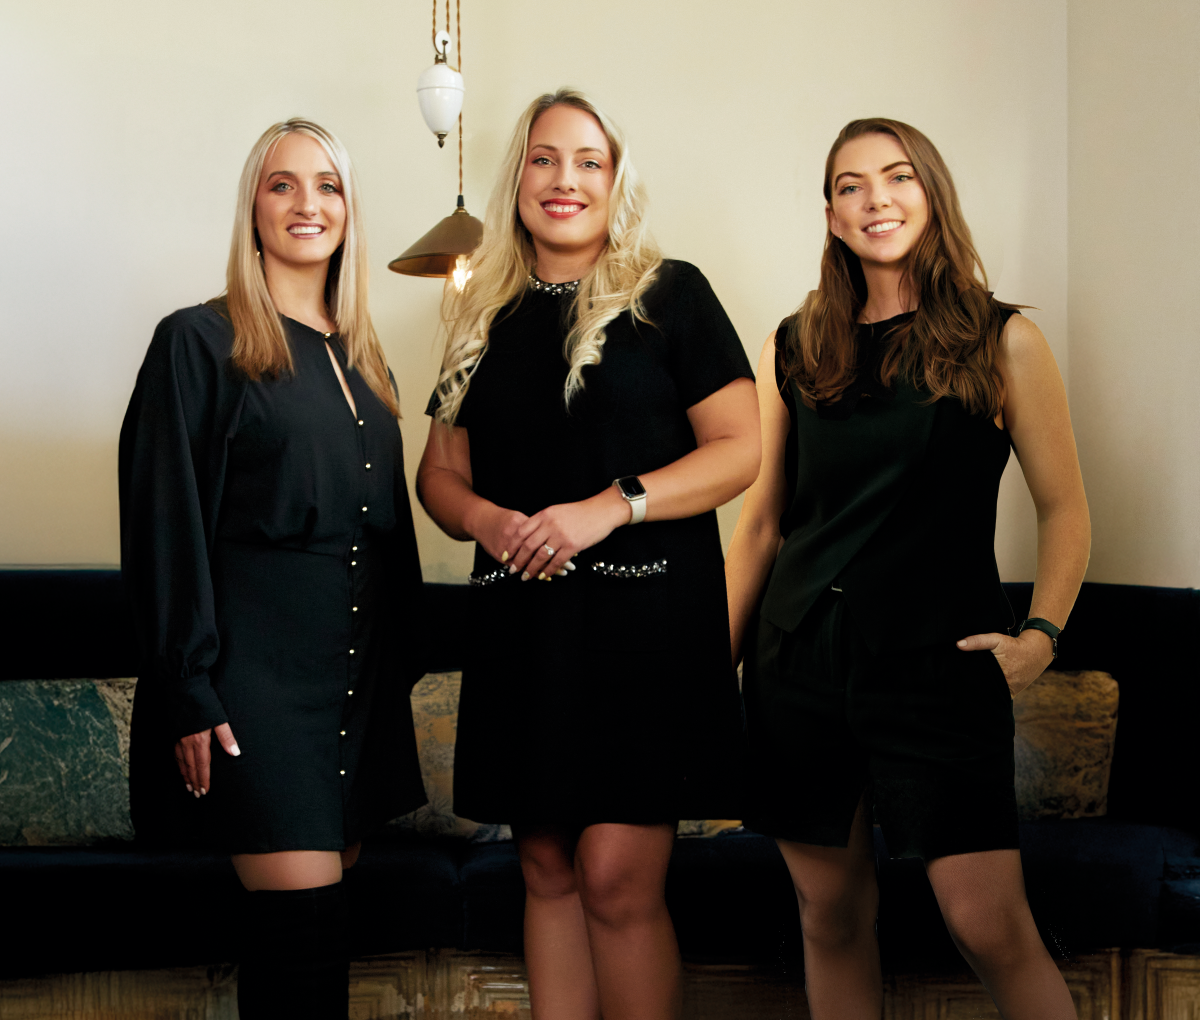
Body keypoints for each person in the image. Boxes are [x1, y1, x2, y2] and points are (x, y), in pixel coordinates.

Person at [725, 118, 1090, 1020]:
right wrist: (711, 667)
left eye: (896, 178)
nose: (875, 199)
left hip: (939, 666)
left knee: (991, 926)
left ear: (931, 194)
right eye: (851, 185)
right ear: (831, 213)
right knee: (830, 913)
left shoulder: (1005, 342)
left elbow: (1066, 508)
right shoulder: (793, 343)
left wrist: (1041, 636)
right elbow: (762, 525)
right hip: (799, 665)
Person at [416, 88, 760, 1020]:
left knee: (615, 873)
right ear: (516, 177)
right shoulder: (478, 313)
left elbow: (740, 449)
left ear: (616, 180)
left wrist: (612, 507)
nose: (564, 180)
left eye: (588, 161)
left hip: (646, 627)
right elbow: (438, 476)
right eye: (543, 159)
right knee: (546, 865)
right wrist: (487, 521)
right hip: (523, 624)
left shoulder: (670, 293)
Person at [119, 117, 427, 1019]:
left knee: (321, 948)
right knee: (299, 937)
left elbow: (389, 541)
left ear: (349, 210)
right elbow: (163, 524)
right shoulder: (197, 343)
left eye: (327, 185)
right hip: (253, 683)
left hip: (354, 687)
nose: (307, 204)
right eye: (281, 183)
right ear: (252, 206)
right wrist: (190, 691)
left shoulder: (366, 363)